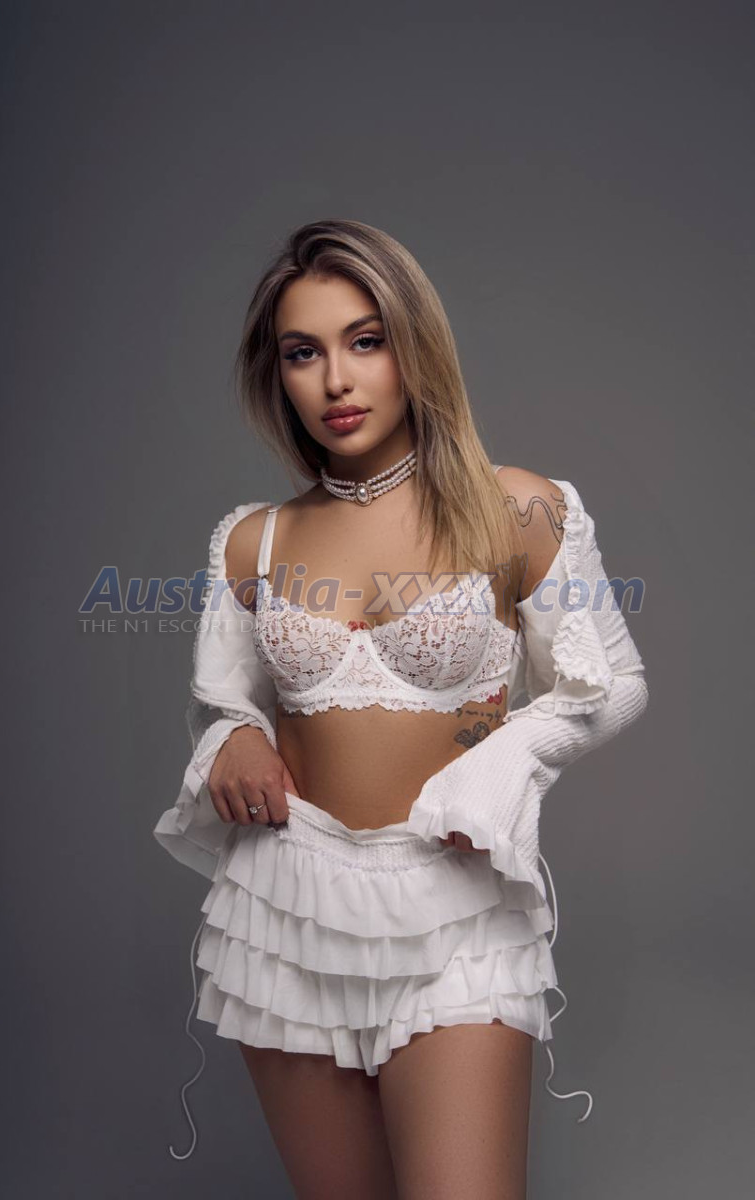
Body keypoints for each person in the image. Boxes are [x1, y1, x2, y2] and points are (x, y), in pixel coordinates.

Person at [153, 219, 649, 1198]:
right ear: (277, 374)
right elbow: (222, 700)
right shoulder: (252, 541)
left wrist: (502, 764)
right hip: (284, 907)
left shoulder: (516, 509)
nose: (336, 380)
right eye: (303, 352)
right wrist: (233, 736)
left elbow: (613, 681)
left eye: (365, 341)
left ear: (413, 347)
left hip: (456, 909)